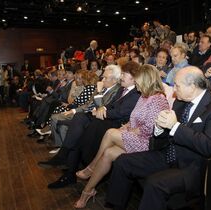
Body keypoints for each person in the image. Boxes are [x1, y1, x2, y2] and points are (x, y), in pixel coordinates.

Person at [105, 66, 211, 210]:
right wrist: (159, 128)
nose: (174, 90)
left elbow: (208, 145)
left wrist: (175, 126)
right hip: (169, 154)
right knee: (123, 161)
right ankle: (115, 206)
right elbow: (166, 135)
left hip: (192, 165)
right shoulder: (180, 102)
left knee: (155, 183)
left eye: (177, 85)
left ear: (192, 86)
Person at [73, 64, 170, 208]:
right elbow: (133, 119)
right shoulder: (144, 97)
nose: (135, 82)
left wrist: (130, 130)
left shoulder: (159, 99)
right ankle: (88, 191)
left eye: (137, 80)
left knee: (110, 133)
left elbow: (151, 129)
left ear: (146, 80)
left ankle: (91, 167)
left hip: (147, 143)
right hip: (135, 137)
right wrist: (128, 127)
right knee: (108, 153)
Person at [43, 62, 141, 189]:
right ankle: (66, 161)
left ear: (133, 78)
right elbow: (109, 105)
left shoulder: (135, 92)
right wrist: (102, 109)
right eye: (121, 74)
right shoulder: (122, 89)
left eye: (124, 74)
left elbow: (120, 112)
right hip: (103, 118)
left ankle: (67, 165)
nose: (121, 77)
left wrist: (102, 110)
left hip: (114, 123)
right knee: (79, 120)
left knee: (80, 132)